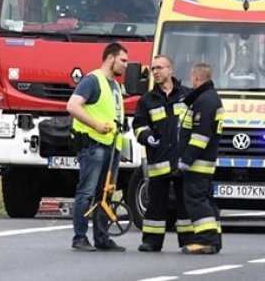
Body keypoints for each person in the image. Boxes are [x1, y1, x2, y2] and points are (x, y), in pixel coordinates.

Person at [67, 42, 128, 252]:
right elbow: (72, 105)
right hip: (94, 145)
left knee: (105, 194)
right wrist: (95, 125)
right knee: (87, 192)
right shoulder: (93, 80)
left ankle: (102, 237)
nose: (125, 65)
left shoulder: (116, 86)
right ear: (110, 58)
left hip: (111, 147)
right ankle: (80, 237)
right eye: (123, 60)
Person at [132, 55, 192, 252]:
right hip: (159, 160)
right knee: (155, 203)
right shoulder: (147, 100)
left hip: (182, 159)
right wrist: (147, 136)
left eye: (159, 68)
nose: (156, 72)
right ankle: (151, 241)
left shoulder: (187, 96)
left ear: (170, 70)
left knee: (185, 203)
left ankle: (188, 241)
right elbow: (139, 125)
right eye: (153, 69)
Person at [178, 63, 223, 254]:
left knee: (195, 199)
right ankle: (214, 237)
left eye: (192, 78)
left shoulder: (205, 101)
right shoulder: (210, 98)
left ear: (196, 77)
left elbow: (200, 136)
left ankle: (206, 240)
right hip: (205, 162)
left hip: (198, 163)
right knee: (205, 199)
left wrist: (186, 160)